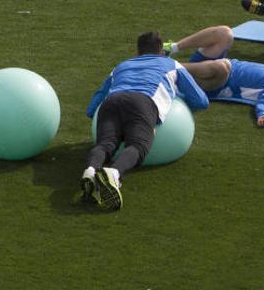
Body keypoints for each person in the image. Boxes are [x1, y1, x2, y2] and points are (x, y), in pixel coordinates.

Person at [82, 32, 208, 211]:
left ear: (137, 51)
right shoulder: (172, 64)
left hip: (111, 102)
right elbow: (201, 101)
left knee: (106, 143)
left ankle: (91, 170)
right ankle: (114, 173)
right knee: (139, 145)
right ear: (160, 51)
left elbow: (92, 106)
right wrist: (176, 95)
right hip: (143, 102)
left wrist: (97, 116)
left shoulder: (121, 66)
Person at [164, 25, 264, 127]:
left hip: (215, 83)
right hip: (210, 66)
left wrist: (263, 114)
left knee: (221, 69)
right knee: (224, 33)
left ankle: (165, 65)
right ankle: (170, 48)